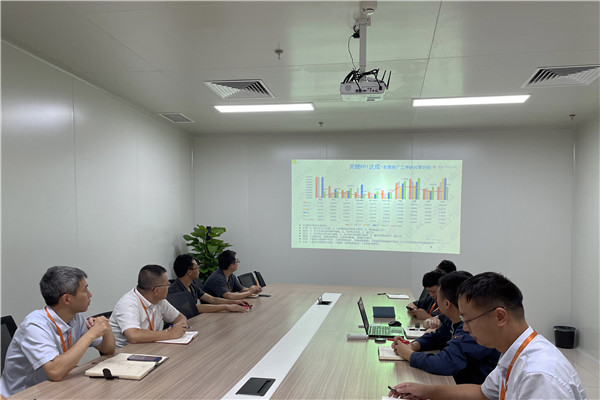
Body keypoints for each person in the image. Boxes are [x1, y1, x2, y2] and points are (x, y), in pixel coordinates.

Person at [389, 272, 587, 400]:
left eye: (468, 320)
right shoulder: (514, 352)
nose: (465, 329)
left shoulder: (539, 376)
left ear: (499, 316)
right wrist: (424, 391)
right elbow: (483, 393)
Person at [0, 266, 115, 397]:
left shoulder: (75, 318)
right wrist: (91, 334)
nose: (90, 294)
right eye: (85, 290)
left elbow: (108, 350)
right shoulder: (34, 326)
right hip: (23, 394)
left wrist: (105, 327)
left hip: (55, 388)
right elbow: (55, 372)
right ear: (66, 299)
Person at [392, 271, 500, 384]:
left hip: (472, 386)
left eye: (437, 296)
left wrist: (408, 354)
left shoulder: (472, 327)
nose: (434, 299)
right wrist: (413, 345)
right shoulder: (452, 319)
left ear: (447, 304)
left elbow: (444, 363)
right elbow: (437, 337)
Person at [109, 264, 188, 348]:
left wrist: (178, 327)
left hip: (152, 346)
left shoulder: (160, 300)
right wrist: (170, 334)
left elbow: (179, 317)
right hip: (127, 351)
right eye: (167, 285)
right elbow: (133, 336)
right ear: (157, 290)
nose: (168, 287)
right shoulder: (127, 303)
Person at [169, 254, 249, 313]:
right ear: (189, 272)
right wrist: (226, 307)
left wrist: (234, 302)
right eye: (197, 268)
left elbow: (212, 299)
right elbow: (195, 308)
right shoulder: (175, 291)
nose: (199, 270)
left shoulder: (192, 285)